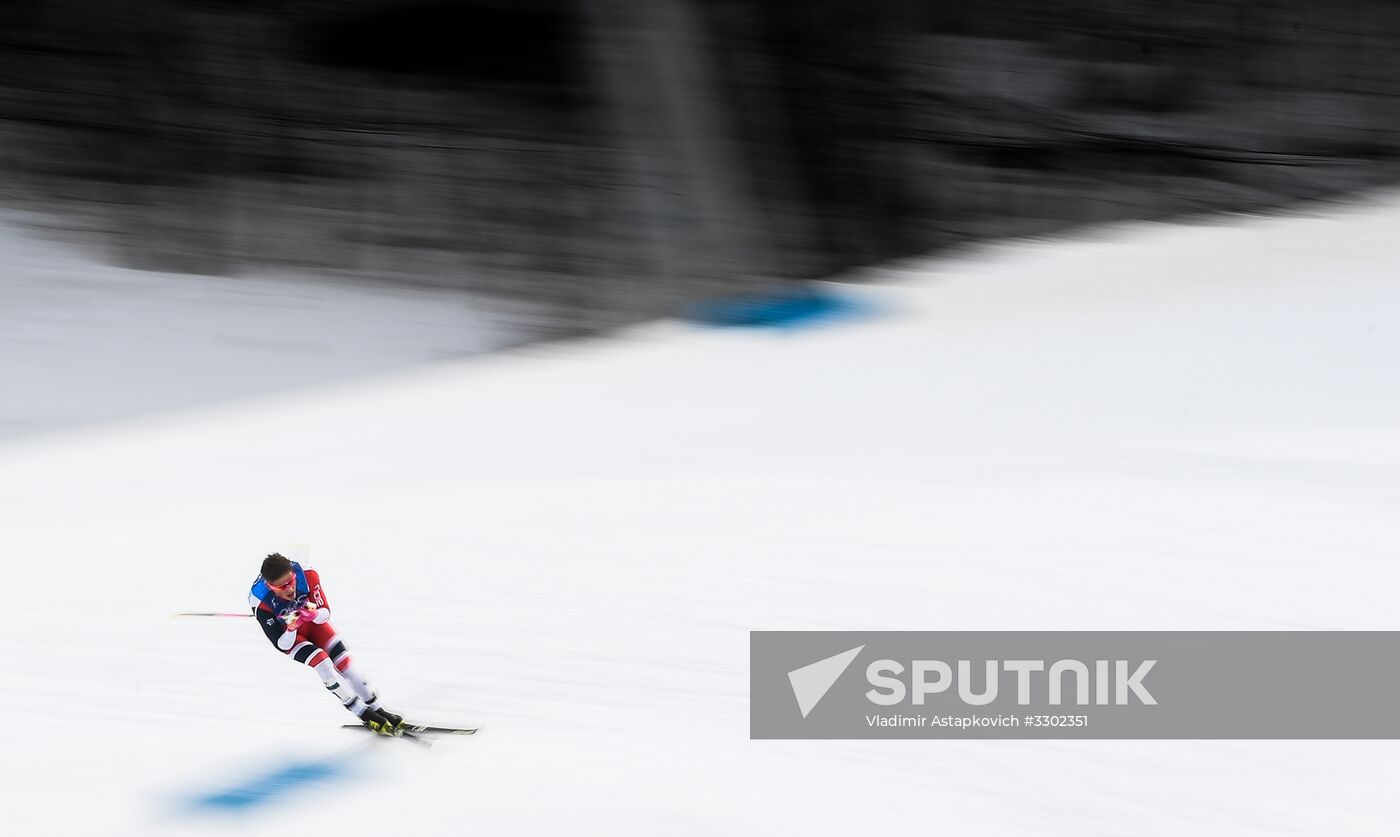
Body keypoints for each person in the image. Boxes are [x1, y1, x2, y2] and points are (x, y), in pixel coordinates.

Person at [248, 553, 404, 735]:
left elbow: (325, 614)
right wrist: (291, 628)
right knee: (323, 664)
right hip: (291, 638)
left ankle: (378, 708)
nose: (290, 588)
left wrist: (313, 614)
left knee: (348, 666)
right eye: (282, 587)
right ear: (270, 586)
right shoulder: (259, 601)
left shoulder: (307, 573)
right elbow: (282, 645)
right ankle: (362, 712)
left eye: (291, 581)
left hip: (313, 624)